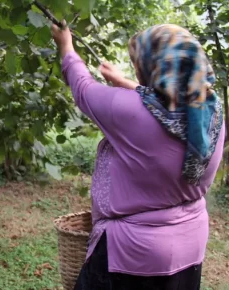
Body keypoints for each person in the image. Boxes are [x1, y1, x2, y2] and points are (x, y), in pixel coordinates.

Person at [51, 23, 225, 290]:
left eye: (139, 65)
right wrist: (127, 84)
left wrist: (66, 46)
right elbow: (166, 105)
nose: (136, 71)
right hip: (189, 247)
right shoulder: (211, 112)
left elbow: (83, 89)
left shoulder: (128, 111)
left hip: (132, 256)